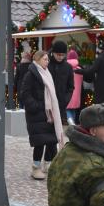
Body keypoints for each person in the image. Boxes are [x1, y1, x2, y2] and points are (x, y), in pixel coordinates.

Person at [21, 50, 64, 180]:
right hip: (37, 114)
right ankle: (36, 168)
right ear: (38, 60)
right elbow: (25, 94)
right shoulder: (31, 74)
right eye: (45, 59)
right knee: (40, 142)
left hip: (49, 114)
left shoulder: (47, 73)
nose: (47, 61)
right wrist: (37, 106)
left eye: (47, 59)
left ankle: (49, 165)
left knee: (51, 141)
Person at [75, 41, 104, 106]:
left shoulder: (100, 59)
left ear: (101, 49)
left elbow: (91, 71)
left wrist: (78, 71)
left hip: (100, 90)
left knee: (99, 110)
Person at [48, 40, 74, 124]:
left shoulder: (68, 67)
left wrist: (65, 100)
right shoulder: (47, 65)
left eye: (62, 55)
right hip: (48, 104)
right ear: (53, 53)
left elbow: (71, 87)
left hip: (62, 106)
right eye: (58, 55)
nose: (60, 57)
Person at [66, 49, 83, 125]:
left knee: (67, 109)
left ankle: (71, 123)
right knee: (74, 109)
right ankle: (73, 124)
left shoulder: (65, 69)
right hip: (77, 94)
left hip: (67, 93)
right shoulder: (80, 69)